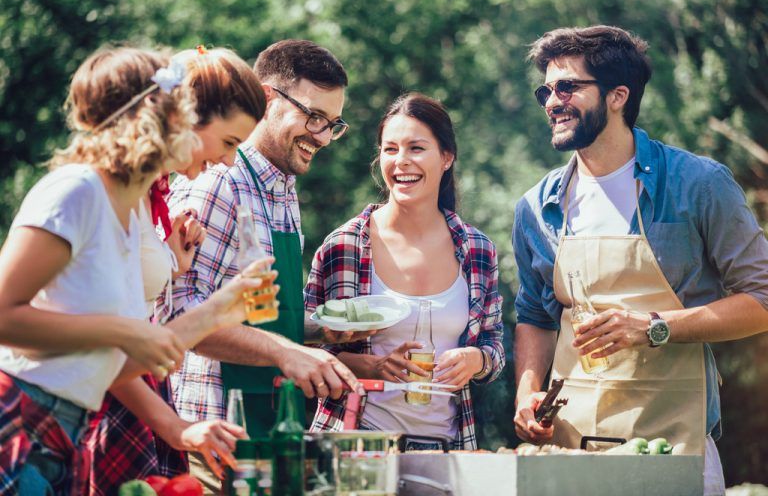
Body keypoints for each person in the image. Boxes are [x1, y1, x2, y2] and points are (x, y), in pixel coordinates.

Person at [0, 46, 269, 495]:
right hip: (20, 425)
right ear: (163, 118)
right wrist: (122, 332)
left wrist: (220, 309)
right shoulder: (76, 190)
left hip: (66, 436)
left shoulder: (129, 219)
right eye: (187, 113)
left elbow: (107, 366)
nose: (227, 161)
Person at [512, 25, 768, 495]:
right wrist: (527, 393)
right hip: (571, 450)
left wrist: (654, 327)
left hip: (675, 444)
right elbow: (534, 314)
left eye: (567, 86)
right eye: (545, 90)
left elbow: (763, 300)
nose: (551, 101)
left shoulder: (698, 184)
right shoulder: (537, 205)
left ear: (618, 96)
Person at [165, 39, 360, 492]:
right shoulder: (217, 182)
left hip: (270, 433)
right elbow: (178, 320)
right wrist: (284, 352)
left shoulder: (284, 189)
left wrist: (317, 331)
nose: (323, 136)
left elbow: (258, 312)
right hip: (212, 441)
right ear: (268, 98)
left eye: (334, 124)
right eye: (313, 117)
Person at [83, 46, 269, 494]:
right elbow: (97, 339)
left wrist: (171, 262)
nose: (229, 161)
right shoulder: (88, 193)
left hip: (134, 392)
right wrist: (219, 310)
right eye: (228, 143)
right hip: (89, 404)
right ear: (184, 117)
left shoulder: (150, 199)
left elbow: (121, 330)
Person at [306, 93, 504, 450]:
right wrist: (372, 366)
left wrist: (477, 360)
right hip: (357, 446)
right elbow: (305, 348)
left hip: (450, 448)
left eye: (416, 148)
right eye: (390, 149)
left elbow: (494, 345)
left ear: (446, 157)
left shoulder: (477, 250)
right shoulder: (344, 246)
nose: (401, 162)